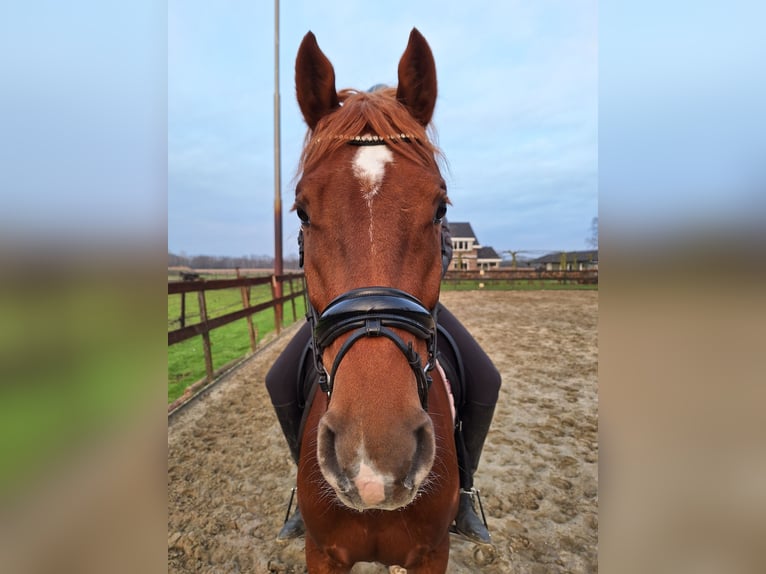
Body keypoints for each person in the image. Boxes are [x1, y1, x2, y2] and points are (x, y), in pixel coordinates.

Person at [265, 222, 501, 544]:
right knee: (278, 380)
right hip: (345, 306)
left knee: (486, 379)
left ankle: (464, 493)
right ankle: (302, 485)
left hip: (408, 303)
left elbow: (440, 246)